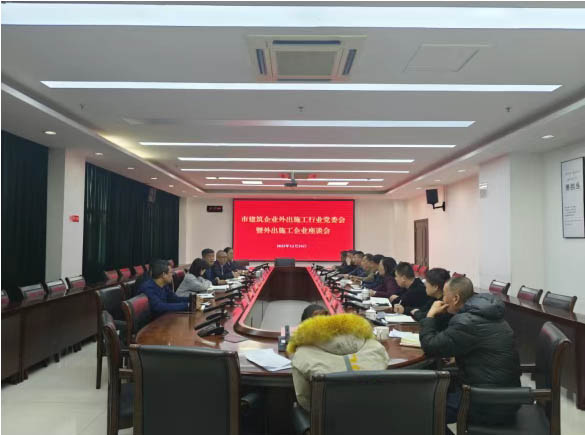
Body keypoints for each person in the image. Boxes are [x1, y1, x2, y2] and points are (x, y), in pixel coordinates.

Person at [420, 276, 521, 432]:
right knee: (432, 399)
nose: (442, 299)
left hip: (487, 401)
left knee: (422, 412)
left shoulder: (467, 321)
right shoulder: (485, 312)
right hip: (503, 395)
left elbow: (430, 346)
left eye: (444, 295)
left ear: (455, 298)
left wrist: (430, 316)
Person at [288, 313, 390, 411]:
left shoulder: (302, 355)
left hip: (327, 419)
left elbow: (304, 399)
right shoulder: (376, 347)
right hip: (374, 415)